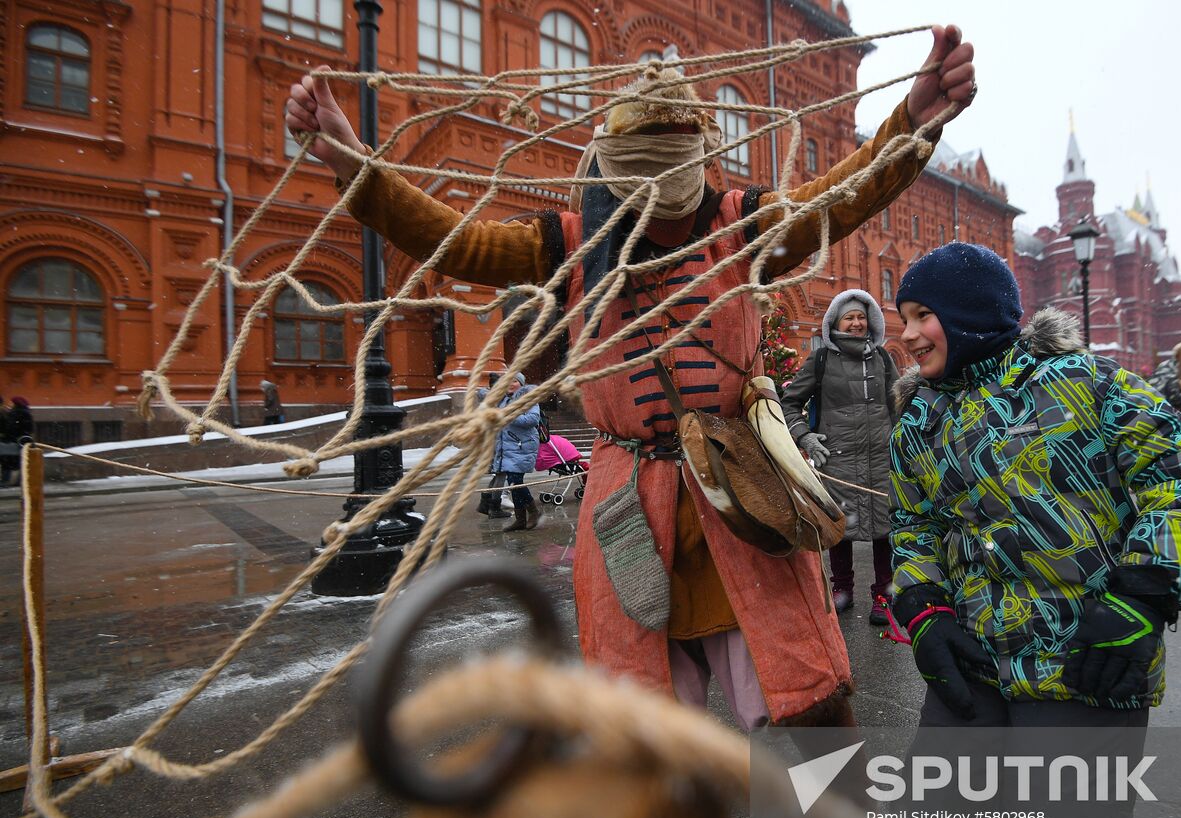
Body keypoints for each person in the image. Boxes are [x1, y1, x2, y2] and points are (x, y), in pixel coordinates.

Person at [283, 29, 977, 739]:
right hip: (631, 505)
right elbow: (461, 242)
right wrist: (352, 158)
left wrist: (913, 120)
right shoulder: (574, 242)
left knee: (798, 696)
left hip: (743, 494)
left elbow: (841, 197)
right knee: (644, 719)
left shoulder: (741, 224)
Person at [867, 243, 1181, 818]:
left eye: (923, 315)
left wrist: (1142, 594)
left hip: (1086, 660)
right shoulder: (917, 419)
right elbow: (914, 526)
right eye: (903, 316)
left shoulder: (1077, 382)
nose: (908, 333)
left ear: (971, 315)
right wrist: (924, 608)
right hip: (971, 664)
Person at [780, 289, 897, 624]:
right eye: (850, 317)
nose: (857, 323)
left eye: (862, 317)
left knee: (882, 527)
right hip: (838, 457)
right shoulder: (821, 359)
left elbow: (899, 405)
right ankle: (842, 588)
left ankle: (883, 595)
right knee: (840, 528)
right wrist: (805, 436)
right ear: (836, 321)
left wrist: (902, 443)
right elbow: (789, 403)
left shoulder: (883, 358)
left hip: (880, 457)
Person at [480, 374, 543, 530]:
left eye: (514, 381)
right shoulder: (504, 400)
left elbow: (532, 420)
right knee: (513, 482)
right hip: (507, 447)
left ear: (521, 383)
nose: (510, 384)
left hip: (522, 446)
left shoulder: (529, 398)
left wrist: (508, 416)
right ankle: (521, 519)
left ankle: (533, 512)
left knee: (515, 481)